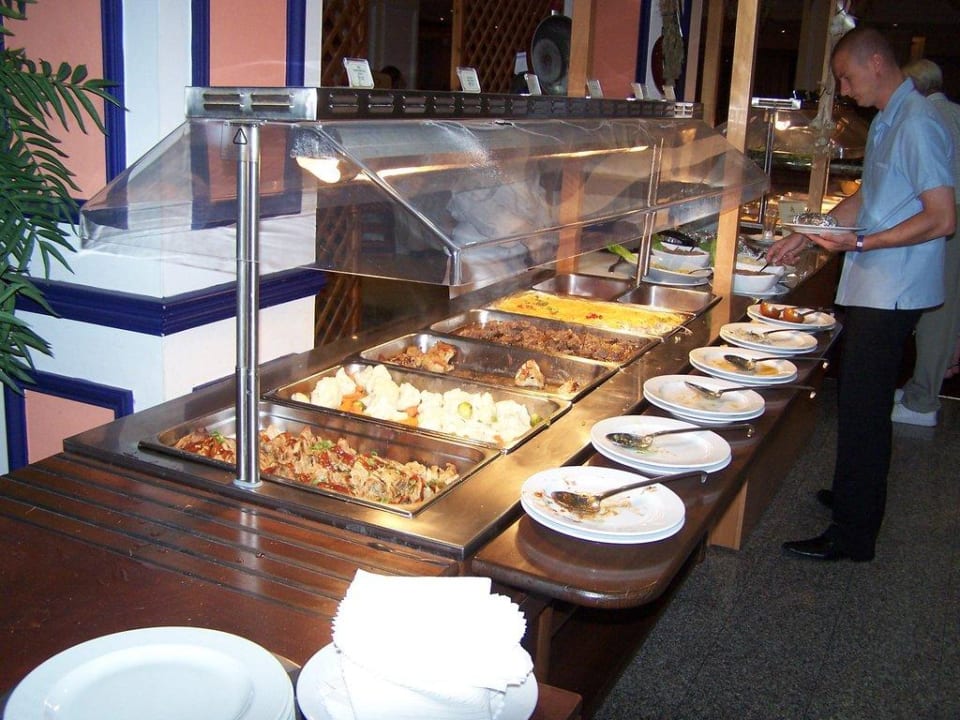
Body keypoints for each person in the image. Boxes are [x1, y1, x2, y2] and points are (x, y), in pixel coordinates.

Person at [767, 26, 956, 562]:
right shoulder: (890, 120)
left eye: (846, 78)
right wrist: (808, 232)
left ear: (875, 62)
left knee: (864, 410)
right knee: (857, 403)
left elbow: (942, 217)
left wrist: (863, 242)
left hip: (893, 288)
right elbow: (871, 196)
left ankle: (853, 534)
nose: (845, 90)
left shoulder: (917, 123)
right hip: (876, 283)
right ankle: (854, 495)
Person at [892, 59, 960, 425]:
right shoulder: (953, 112)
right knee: (946, 308)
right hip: (951, 211)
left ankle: (923, 401)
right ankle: (921, 388)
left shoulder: (928, 117)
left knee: (937, 311)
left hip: (948, 216)